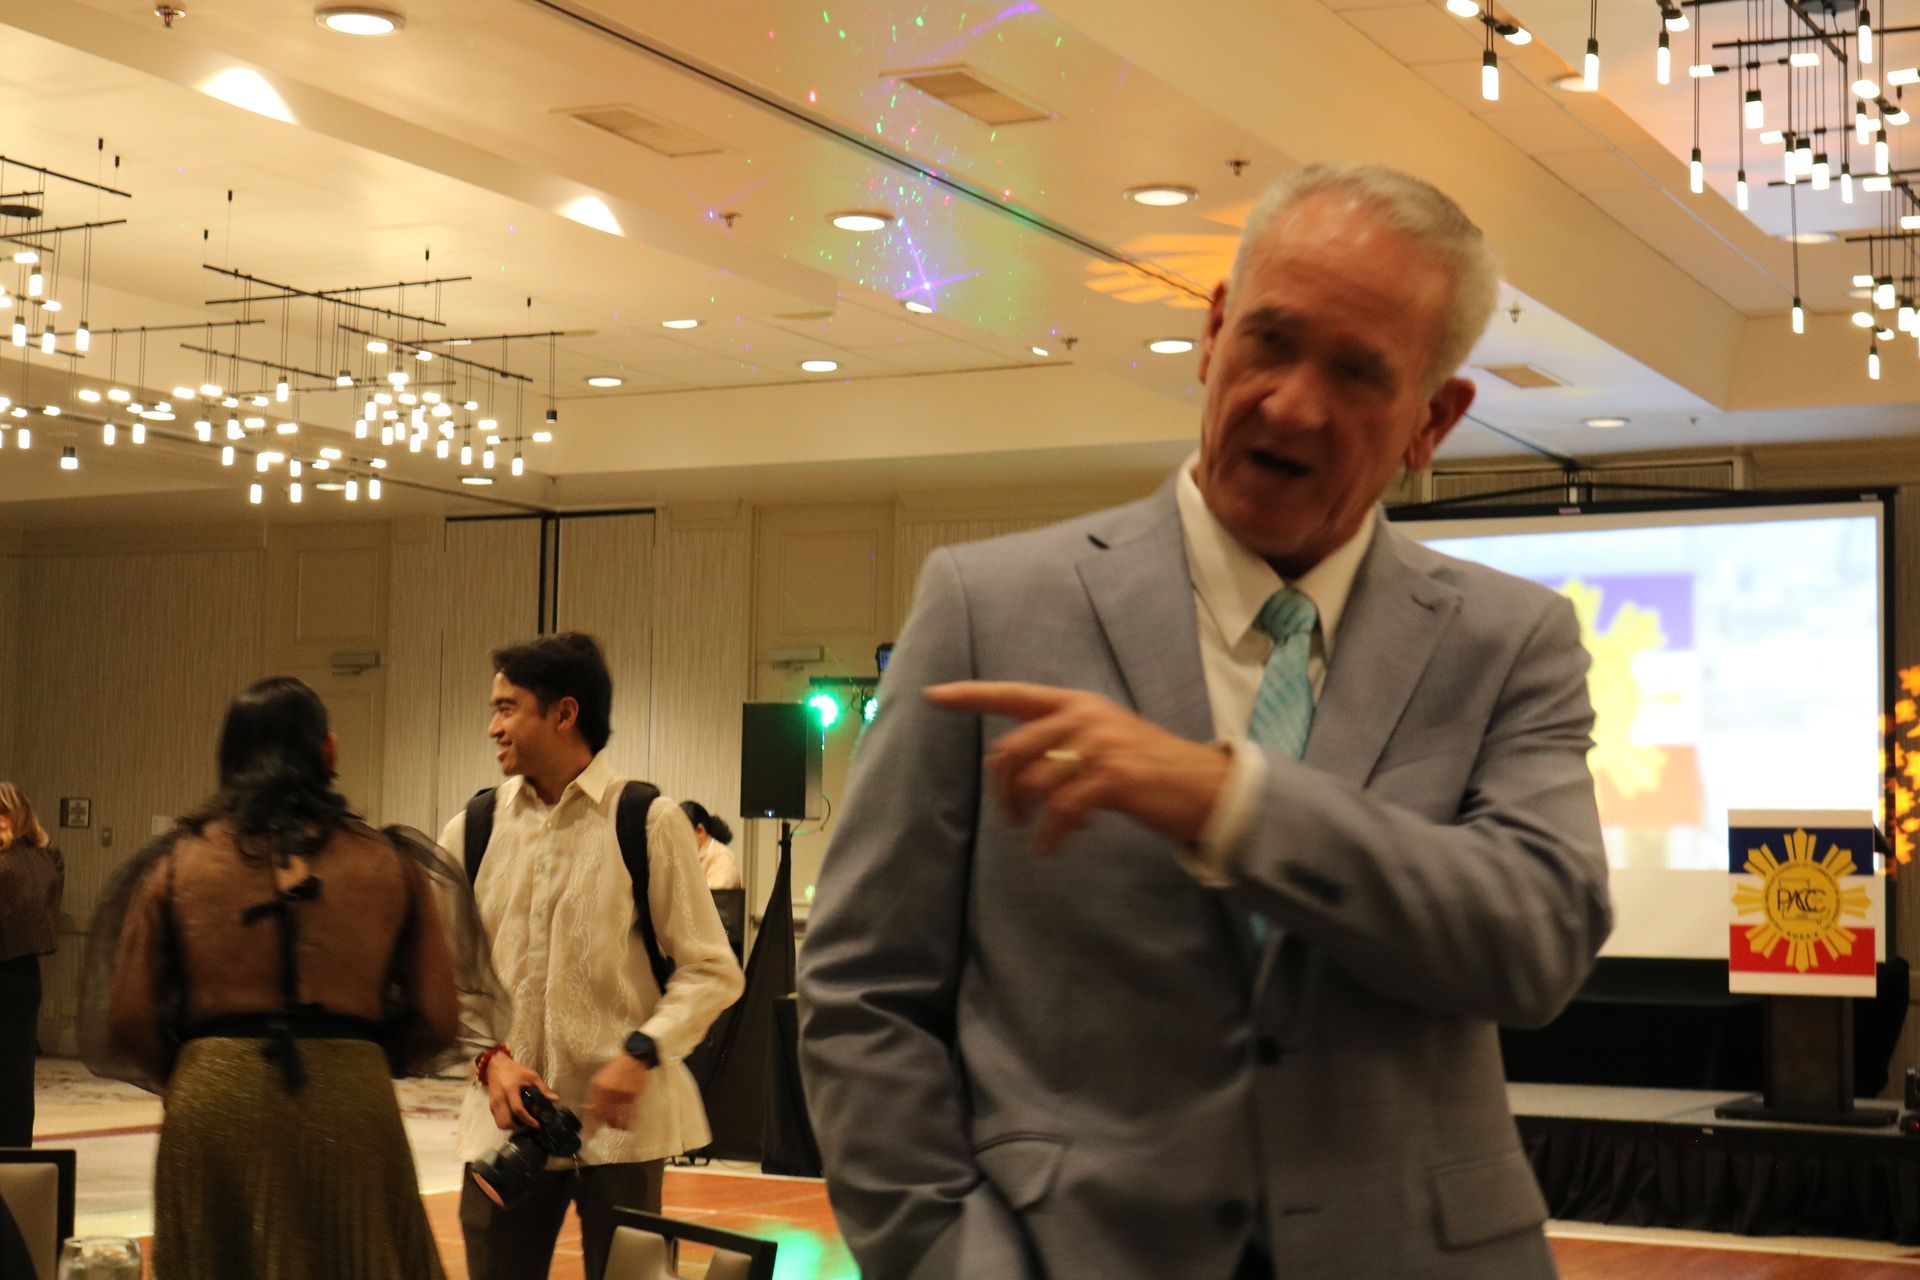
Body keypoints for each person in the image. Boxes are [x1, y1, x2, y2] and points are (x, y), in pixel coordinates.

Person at [797, 164, 1612, 1280]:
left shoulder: (1507, 640)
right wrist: (947, 1257)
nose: (1290, 403)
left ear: (1434, 419)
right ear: (1213, 332)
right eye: (1270, 341)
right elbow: (862, 991)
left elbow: (1536, 939)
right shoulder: (990, 607)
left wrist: (1233, 803)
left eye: (1359, 373)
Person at [80, 677, 495, 1280]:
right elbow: (438, 1018)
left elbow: (127, 1018)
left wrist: (202, 1070)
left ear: (229, 756)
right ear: (328, 752)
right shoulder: (387, 862)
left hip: (212, 1100)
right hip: (350, 1100)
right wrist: (354, 1064)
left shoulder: (177, 865)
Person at [442, 632, 743, 1280]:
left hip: (623, 1136)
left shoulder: (647, 820)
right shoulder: (471, 829)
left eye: (506, 708)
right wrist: (491, 1063)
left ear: (564, 713)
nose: (492, 727)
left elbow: (711, 970)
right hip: (504, 1131)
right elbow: (449, 978)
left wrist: (641, 1054)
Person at [0, 783, 63, 1147]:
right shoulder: (48, 857)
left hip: (9, 970)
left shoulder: (12, 864)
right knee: (17, 1073)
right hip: (26, 976)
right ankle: (16, 1148)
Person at [679, 801, 742, 891]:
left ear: (699, 831)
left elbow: (709, 901)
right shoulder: (687, 857)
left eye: (679, 835)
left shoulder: (723, 860)